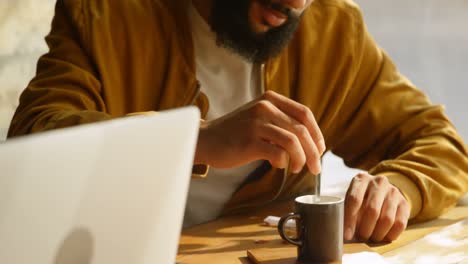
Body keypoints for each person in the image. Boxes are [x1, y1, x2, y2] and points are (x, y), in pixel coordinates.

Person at [8, 0, 468, 243]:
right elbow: (34, 136)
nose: (295, 2)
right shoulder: (105, 14)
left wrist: (398, 189)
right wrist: (197, 139)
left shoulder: (332, 30)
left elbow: (440, 142)